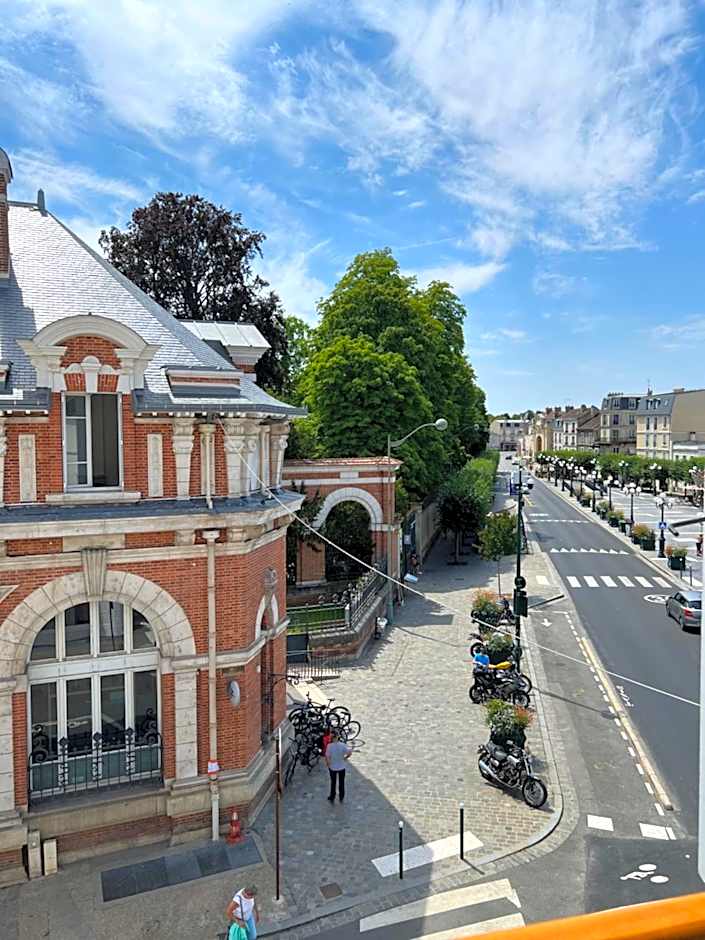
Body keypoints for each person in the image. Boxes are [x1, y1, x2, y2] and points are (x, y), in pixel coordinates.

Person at [325, 730, 352, 803]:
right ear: (338, 737)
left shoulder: (329, 746)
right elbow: (349, 752)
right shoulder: (343, 745)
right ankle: (341, 796)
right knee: (341, 782)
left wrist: (328, 763)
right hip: (341, 767)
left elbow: (327, 756)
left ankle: (332, 796)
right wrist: (345, 758)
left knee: (333, 782)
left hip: (333, 767)